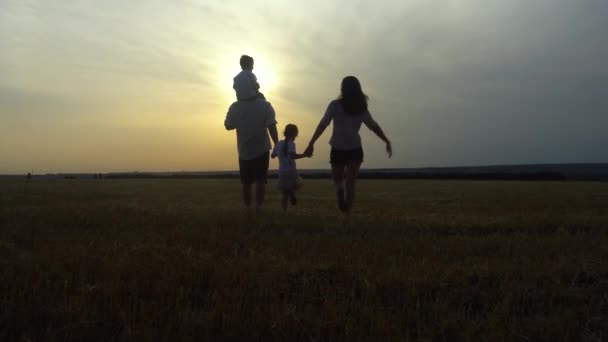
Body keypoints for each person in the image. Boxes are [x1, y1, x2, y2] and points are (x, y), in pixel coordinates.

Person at [304, 76, 392, 213]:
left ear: (342, 88)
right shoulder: (361, 108)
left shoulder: (335, 105)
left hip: (337, 147)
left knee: (337, 179)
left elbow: (323, 124)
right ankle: (348, 215)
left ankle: (340, 192)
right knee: (351, 183)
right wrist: (386, 140)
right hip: (355, 148)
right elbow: (373, 126)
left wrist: (311, 143)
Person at [225, 98, 278, 211]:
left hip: (244, 150)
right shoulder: (266, 105)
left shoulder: (234, 106)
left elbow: (228, 125)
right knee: (260, 180)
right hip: (262, 149)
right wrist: (277, 144)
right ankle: (259, 207)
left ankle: (247, 207)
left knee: (246, 182)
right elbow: (272, 126)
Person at [271, 124, 308, 210]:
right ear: (294, 134)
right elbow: (292, 156)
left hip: (282, 172)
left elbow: (272, 156)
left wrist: (277, 152)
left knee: (284, 194)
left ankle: (284, 211)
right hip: (291, 171)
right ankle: (292, 193)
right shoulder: (292, 144)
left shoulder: (278, 144)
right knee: (297, 184)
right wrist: (304, 155)